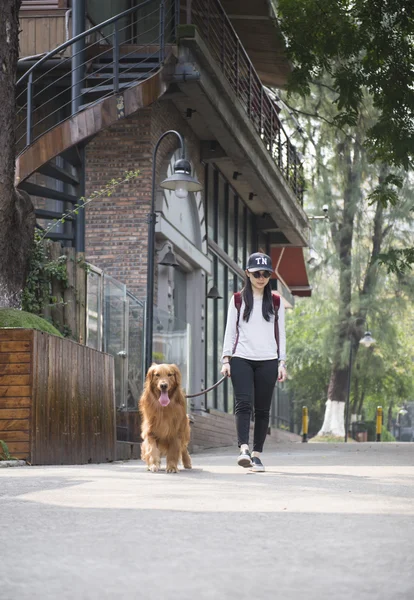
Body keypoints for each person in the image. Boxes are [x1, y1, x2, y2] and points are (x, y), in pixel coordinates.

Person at [220, 252, 287, 472]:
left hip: (268, 359)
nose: (261, 277)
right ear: (248, 273)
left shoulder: (276, 301)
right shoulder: (238, 299)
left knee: (263, 410)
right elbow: (230, 330)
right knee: (243, 404)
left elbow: (281, 334)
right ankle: (244, 449)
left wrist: (282, 362)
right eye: (257, 273)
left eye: (266, 273)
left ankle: (257, 455)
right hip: (241, 358)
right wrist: (226, 359)